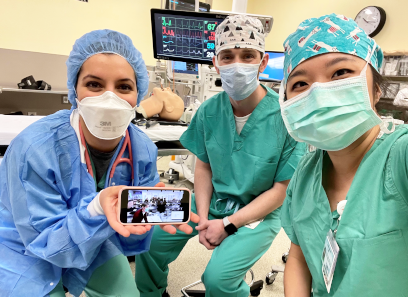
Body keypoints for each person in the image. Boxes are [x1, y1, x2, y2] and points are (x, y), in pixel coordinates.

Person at [0, 29, 198, 297]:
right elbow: (44, 239)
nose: (109, 98)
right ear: (75, 89)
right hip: (23, 245)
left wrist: (142, 217)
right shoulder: (34, 148)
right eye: (94, 84)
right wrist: (95, 207)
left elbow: (130, 230)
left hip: (92, 236)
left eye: (124, 87)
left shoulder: (141, 148)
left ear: (139, 95)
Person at [135, 15, 305, 297]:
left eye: (248, 55)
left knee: (218, 279)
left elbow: (281, 190)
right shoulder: (208, 111)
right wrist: (203, 218)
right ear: (215, 62)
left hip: (258, 212)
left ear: (262, 63)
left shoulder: (286, 118)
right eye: (227, 56)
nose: (237, 65)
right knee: (150, 238)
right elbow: (203, 167)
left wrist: (227, 224)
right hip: (212, 202)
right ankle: (151, 293)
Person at [279, 14, 408, 297]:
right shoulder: (305, 173)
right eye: (300, 84)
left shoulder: (400, 156)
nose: (319, 93)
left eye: (340, 73)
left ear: (375, 89)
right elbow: (298, 259)